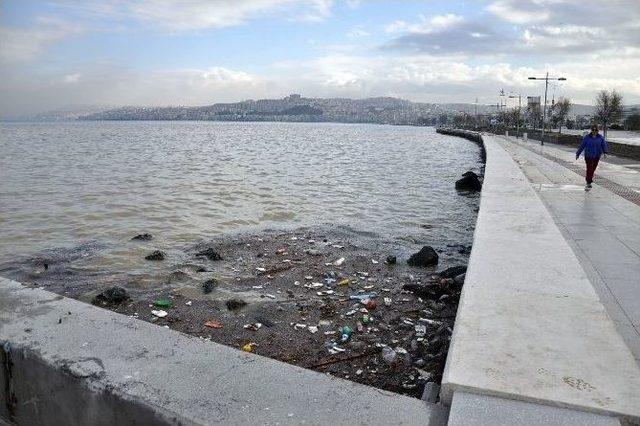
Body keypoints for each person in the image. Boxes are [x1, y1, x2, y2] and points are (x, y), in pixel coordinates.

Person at [576, 124, 607, 191]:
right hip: (588, 156)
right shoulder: (587, 137)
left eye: (596, 130)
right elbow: (582, 146)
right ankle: (588, 182)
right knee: (589, 168)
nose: (594, 131)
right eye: (593, 130)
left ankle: (589, 180)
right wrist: (578, 154)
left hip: (597, 155)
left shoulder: (600, 137)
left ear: (598, 130)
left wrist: (605, 153)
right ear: (591, 130)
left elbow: (604, 145)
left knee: (593, 169)